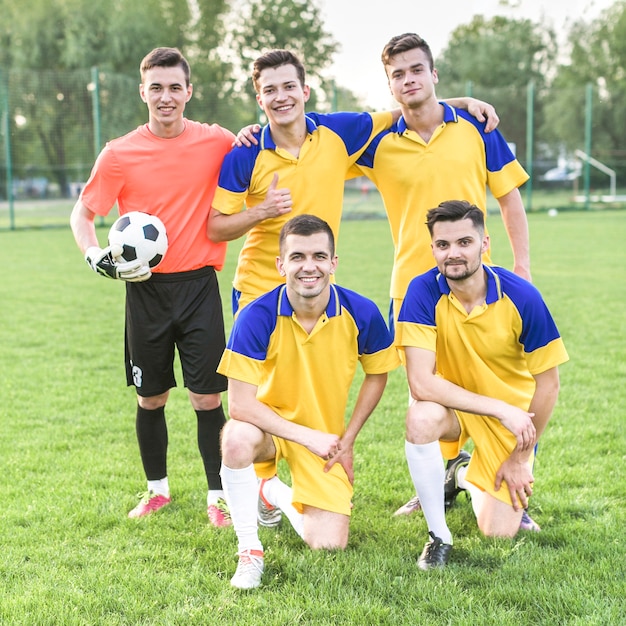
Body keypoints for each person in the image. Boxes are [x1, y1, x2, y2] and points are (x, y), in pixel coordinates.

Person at [350, 33, 534, 523]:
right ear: (389, 85)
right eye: (398, 74)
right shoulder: (376, 143)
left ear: (434, 74)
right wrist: (249, 134)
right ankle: (438, 487)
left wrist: (522, 268)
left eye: (417, 70)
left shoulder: (477, 127)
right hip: (412, 291)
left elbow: (510, 196)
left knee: (504, 387)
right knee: (423, 397)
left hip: (480, 285)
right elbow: (311, 136)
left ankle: (513, 481)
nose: (409, 80)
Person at [70, 47, 235, 526]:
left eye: (174, 87)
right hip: (145, 290)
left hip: (200, 286)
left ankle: (218, 496)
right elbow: (83, 213)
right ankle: (157, 491)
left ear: (189, 91)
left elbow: (268, 137)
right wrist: (93, 254)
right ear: (144, 92)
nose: (166, 97)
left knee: (208, 397)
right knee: (151, 397)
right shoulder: (119, 153)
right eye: (156, 88)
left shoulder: (217, 141)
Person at [208, 48, 499, 314]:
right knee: (257, 374)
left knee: (316, 373)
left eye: (289, 87)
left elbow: (410, 108)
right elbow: (215, 228)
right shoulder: (245, 153)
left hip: (317, 286)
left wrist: (464, 102)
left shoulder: (338, 133)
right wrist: (262, 211)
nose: (281, 97)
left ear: (304, 91)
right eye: (270, 90)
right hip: (258, 289)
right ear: (260, 99)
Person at [218, 215, 401, 588]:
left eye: (319, 255)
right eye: (297, 256)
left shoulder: (361, 312)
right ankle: (250, 552)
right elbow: (239, 406)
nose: (309, 266)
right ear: (280, 264)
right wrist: (305, 436)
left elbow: (378, 373)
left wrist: (346, 439)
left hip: (324, 437)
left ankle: (269, 491)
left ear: (334, 262)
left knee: (330, 545)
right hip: (265, 428)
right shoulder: (256, 316)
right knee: (235, 437)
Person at [396, 200, 568, 569]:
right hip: (459, 408)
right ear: (432, 249)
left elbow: (549, 385)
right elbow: (421, 382)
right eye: (443, 245)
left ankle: (459, 474)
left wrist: (520, 457)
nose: (453, 253)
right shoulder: (422, 292)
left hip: (513, 421)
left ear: (485, 244)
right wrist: (497, 408)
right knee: (420, 418)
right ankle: (438, 536)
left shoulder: (521, 296)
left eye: (464, 242)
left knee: (497, 532)